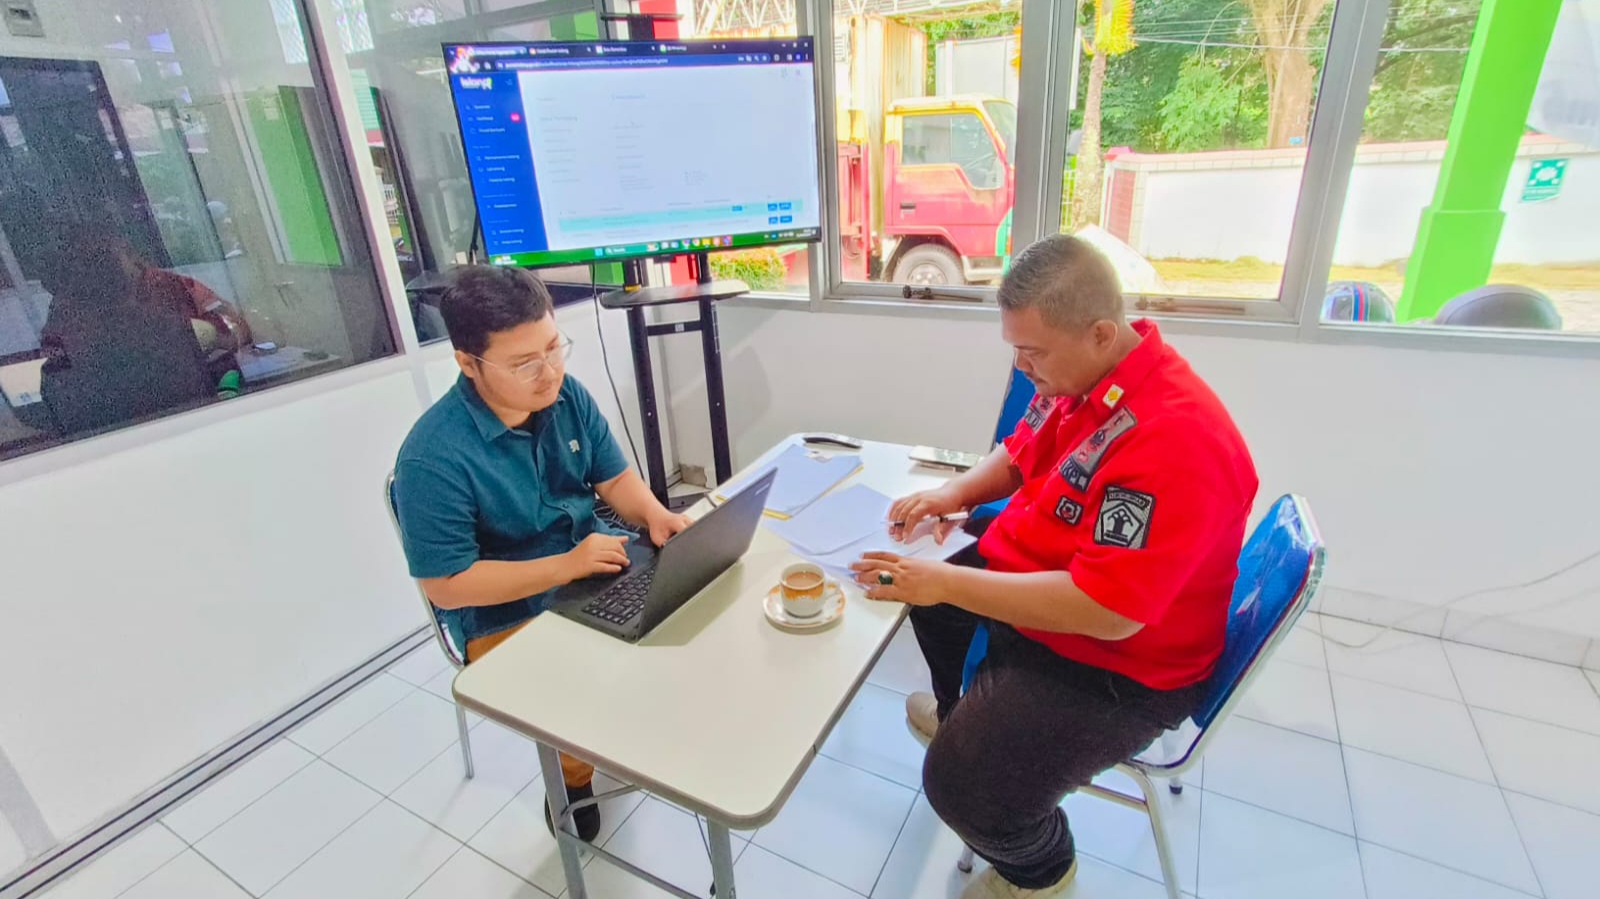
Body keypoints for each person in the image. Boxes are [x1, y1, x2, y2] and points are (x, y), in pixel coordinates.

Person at [850, 235, 1258, 899]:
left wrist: (948, 579)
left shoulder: (1173, 438)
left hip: (1119, 666)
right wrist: (952, 495)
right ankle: (968, 715)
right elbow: (1019, 450)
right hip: (1056, 577)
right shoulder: (1081, 374)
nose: (1022, 366)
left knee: (957, 784)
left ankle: (1040, 872)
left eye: (1032, 352)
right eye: (1015, 348)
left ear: (1099, 332)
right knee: (934, 569)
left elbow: (1107, 610)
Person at [392, 265, 692, 842]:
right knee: (585, 678)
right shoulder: (432, 457)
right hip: (503, 611)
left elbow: (615, 482)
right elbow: (447, 585)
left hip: (592, 565)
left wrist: (655, 515)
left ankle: (643, 731)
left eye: (555, 348)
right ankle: (573, 780)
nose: (549, 371)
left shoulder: (566, 396)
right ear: (467, 363)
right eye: (525, 362)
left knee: (688, 601)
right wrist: (567, 565)